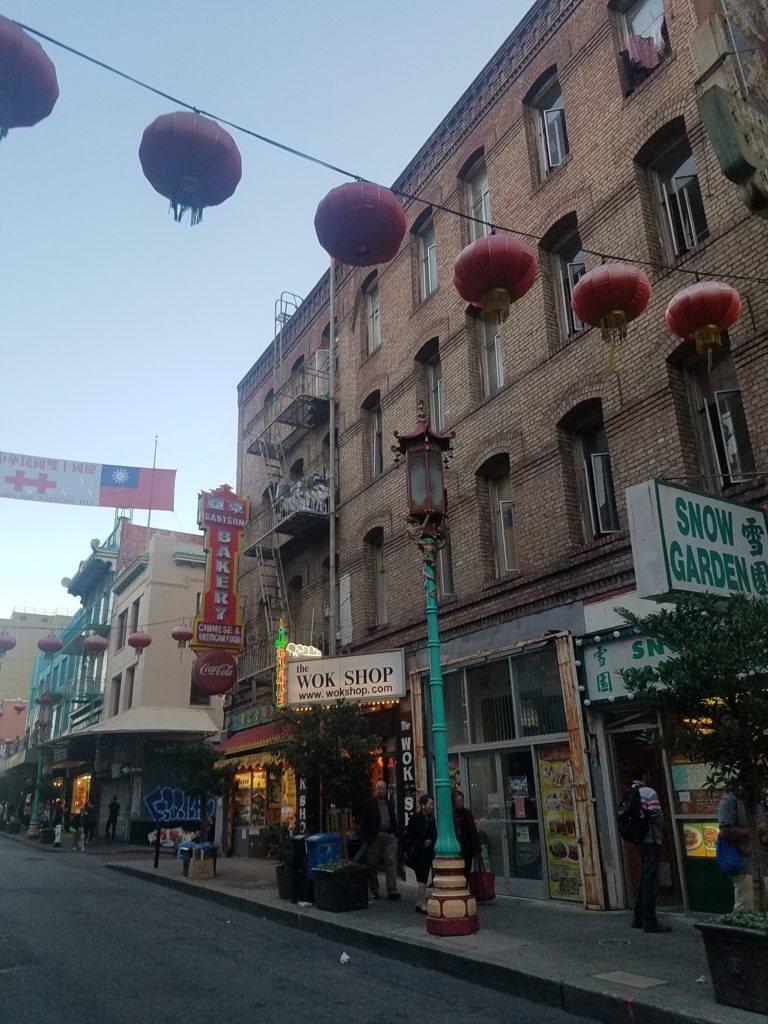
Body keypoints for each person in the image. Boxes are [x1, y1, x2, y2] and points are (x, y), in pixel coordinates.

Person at [629, 767, 671, 933]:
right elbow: (655, 814)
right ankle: (650, 920)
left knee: (644, 877)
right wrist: (663, 828)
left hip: (638, 839)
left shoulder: (630, 791)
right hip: (651, 839)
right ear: (645, 775)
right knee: (650, 879)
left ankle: (638, 918)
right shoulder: (648, 792)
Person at [717, 792, 768, 911]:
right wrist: (757, 830)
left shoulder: (761, 800)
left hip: (764, 864)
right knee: (747, 910)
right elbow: (725, 831)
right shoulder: (731, 800)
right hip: (745, 866)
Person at [360, 780, 401, 901]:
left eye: (383, 788)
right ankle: (374, 890)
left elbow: (392, 818)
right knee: (372, 863)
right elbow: (364, 821)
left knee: (391, 861)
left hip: (388, 834)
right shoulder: (369, 803)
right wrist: (368, 837)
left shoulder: (389, 803)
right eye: (379, 788)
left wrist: (394, 832)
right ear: (375, 790)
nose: (381, 791)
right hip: (375, 835)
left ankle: (392, 889)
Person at [404, 794, 437, 914]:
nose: (431, 807)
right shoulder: (415, 818)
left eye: (432, 804)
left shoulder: (432, 819)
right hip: (418, 851)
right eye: (430, 804)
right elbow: (410, 835)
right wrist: (421, 842)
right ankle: (421, 902)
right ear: (423, 805)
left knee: (423, 877)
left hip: (426, 851)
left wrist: (431, 841)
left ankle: (420, 901)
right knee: (422, 876)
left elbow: (434, 834)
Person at [452, 789, 480, 882]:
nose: (461, 803)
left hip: (468, 846)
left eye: (461, 801)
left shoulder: (467, 813)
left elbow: (473, 830)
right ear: (454, 802)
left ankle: (466, 888)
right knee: (461, 871)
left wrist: (477, 847)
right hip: (459, 847)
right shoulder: (453, 815)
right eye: (458, 801)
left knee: (467, 869)